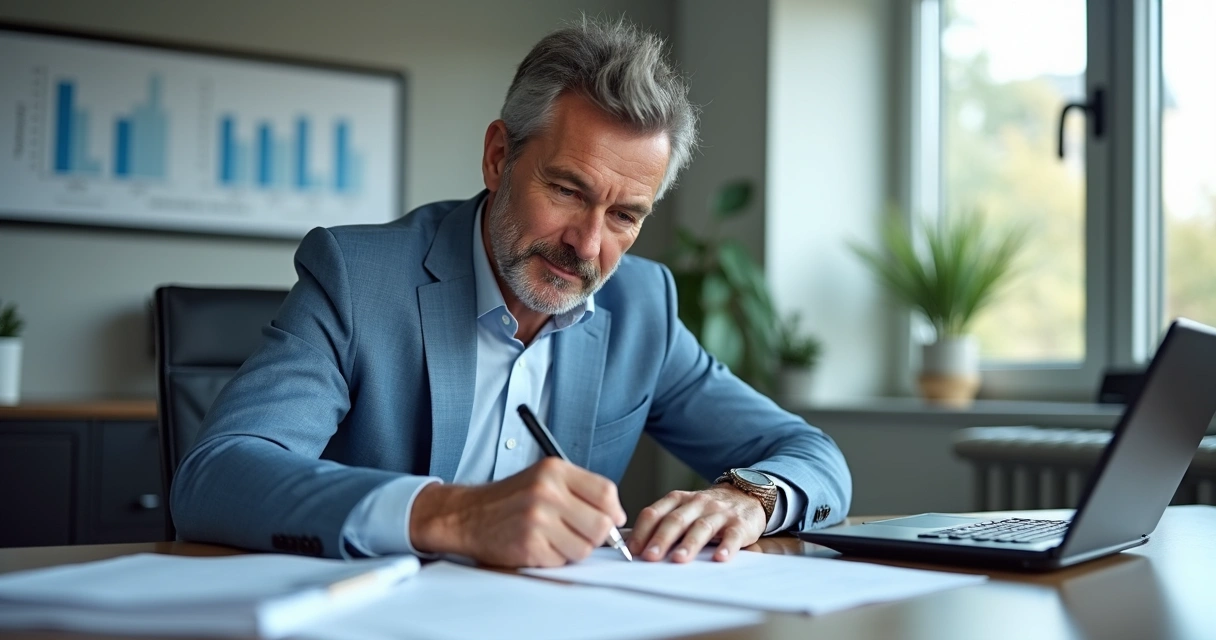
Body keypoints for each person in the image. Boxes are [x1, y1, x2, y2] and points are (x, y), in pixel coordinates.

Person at [171, 17, 851, 568]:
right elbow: (217, 476)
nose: (587, 245)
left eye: (624, 216)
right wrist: (451, 514)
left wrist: (751, 498)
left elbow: (812, 455)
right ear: (499, 157)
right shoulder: (358, 276)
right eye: (566, 190)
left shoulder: (642, 307)